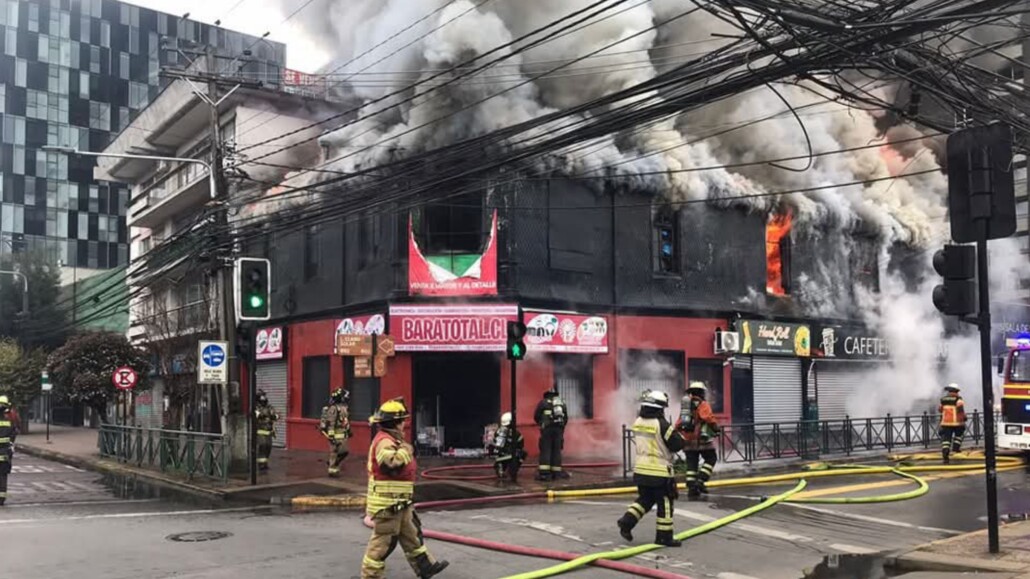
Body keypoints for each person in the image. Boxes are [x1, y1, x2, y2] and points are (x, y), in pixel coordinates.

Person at [361, 398, 449, 579]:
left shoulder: (392, 439)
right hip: (388, 504)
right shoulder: (385, 441)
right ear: (395, 423)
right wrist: (406, 451)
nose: (405, 425)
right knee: (383, 542)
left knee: (412, 536)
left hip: (400, 502)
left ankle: (425, 567)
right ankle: (370, 576)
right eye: (402, 421)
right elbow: (389, 464)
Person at [617, 390, 686, 547]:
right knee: (665, 503)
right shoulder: (661, 424)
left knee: (645, 499)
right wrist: (681, 435)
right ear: (658, 408)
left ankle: (626, 522)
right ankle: (664, 537)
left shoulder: (638, 421)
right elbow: (677, 444)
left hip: (641, 470)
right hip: (659, 471)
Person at [678, 381, 721, 499]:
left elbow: (679, 422)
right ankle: (701, 481)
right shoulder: (703, 404)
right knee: (711, 458)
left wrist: (677, 432)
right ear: (702, 392)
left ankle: (692, 489)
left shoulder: (685, 406)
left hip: (688, 440)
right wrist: (715, 427)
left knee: (691, 464)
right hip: (701, 440)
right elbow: (707, 417)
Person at [533, 389, 568, 481]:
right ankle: (556, 472)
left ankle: (545, 474)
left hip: (547, 429)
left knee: (546, 449)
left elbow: (536, 416)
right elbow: (566, 418)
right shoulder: (561, 403)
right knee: (557, 450)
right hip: (558, 430)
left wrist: (542, 424)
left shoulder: (543, 403)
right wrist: (560, 429)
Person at [320, 388, 352, 477]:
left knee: (345, 452)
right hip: (335, 434)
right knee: (334, 452)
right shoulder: (334, 408)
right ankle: (332, 470)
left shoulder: (344, 407)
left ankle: (332, 463)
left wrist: (348, 430)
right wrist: (331, 436)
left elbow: (345, 420)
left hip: (343, 434)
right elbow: (331, 422)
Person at [489, 412, 526, 482]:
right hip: (509, 456)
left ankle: (500, 466)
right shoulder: (516, 433)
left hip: (497, 457)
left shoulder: (498, 431)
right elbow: (521, 445)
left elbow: (494, 441)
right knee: (522, 453)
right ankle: (512, 470)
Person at [939, 383, 966, 464]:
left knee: (946, 440)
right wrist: (964, 418)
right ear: (956, 391)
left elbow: (940, 409)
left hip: (946, 423)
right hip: (957, 422)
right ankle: (956, 448)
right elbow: (960, 409)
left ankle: (945, 453)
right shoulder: (958, 399)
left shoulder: (943, 399)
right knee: (959, 435)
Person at [254, 390, 279, 472]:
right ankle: (261, 465)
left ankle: (265, 463)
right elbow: (257, 415)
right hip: (260, 431)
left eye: (264, 396)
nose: (264, 397)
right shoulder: (256, 407)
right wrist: (264, 415)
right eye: (262, 396)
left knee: (268, 447)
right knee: (262, 446)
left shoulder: (269, 407)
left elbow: (276, 415)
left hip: (269, 431)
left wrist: (274, 416)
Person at [0, 395, 17, 505]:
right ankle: (1, 498)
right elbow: (14, 434)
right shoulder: (9, 422)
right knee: (3, 476)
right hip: (5, 453)